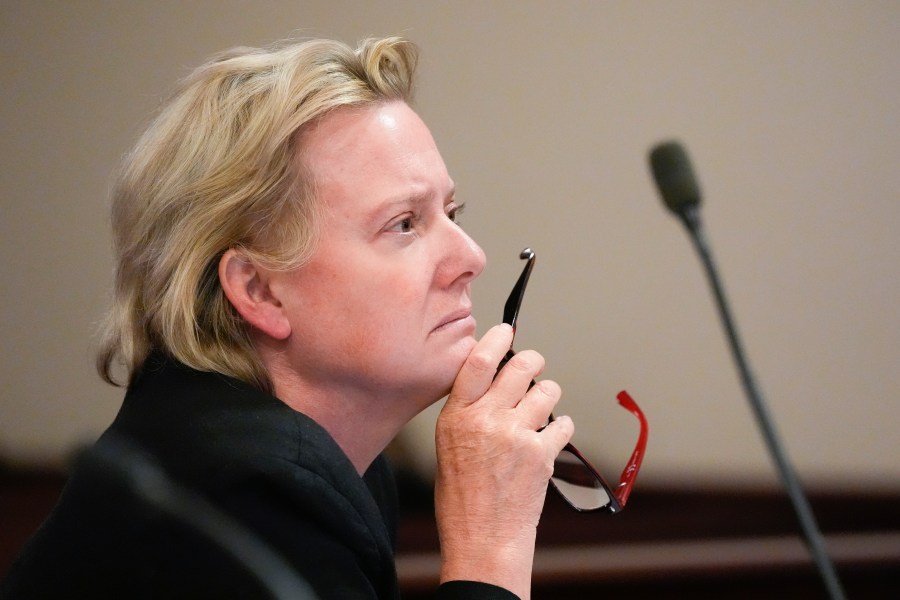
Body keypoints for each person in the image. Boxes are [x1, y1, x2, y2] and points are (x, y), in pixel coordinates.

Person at [0, 36, 573, 600]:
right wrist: (489, 550)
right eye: (403, 224)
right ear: (260, 291)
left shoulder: (316, 467)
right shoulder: (247, 490)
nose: (471, 258)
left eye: (451, 212)